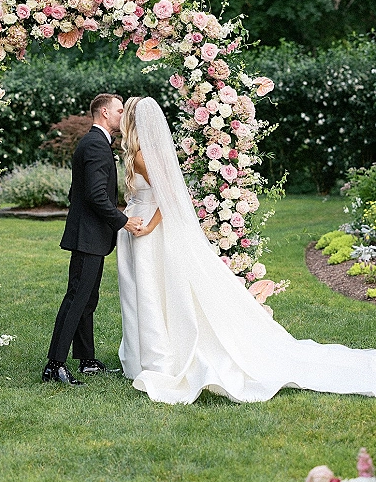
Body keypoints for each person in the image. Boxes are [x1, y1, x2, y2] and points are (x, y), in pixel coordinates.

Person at [117, 96, 376, 404]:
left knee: (154, 289)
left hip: (151, 231)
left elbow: (171, 197)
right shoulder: (134, 154)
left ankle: (162, 358)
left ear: (131, 122)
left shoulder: (145, 156)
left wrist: (148, 226)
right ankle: (144, 354)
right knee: (144, 292)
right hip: (137, 228)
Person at [42, 94, 144, 385]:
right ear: (103, 112)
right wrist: (123, 221)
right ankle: (55, 364)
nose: (121, 116)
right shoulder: (96, 145)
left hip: (89, 234)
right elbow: (96, 195)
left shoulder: (94, 143)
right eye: (118, 110)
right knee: (76, 299)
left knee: (87, 299)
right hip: (88, 236)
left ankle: (86, 360)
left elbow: (78, 192)